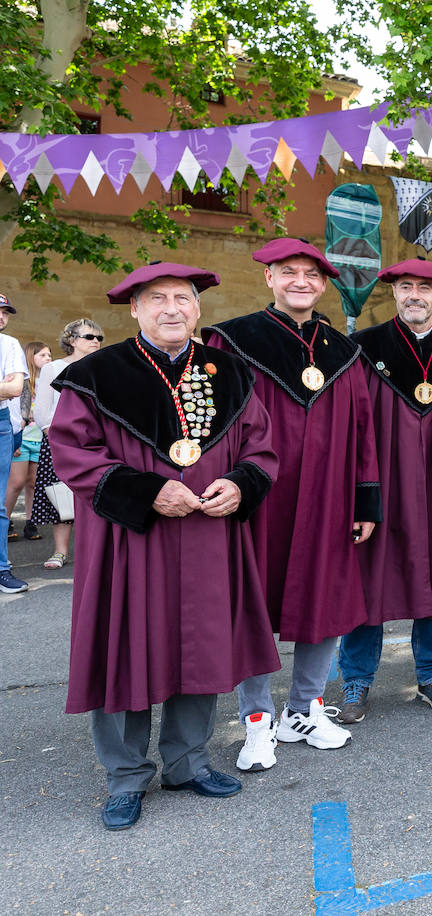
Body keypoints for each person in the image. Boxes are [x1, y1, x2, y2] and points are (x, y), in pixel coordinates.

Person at [49, 262, 279, 831]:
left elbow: (261, 447)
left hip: (207, 535)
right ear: (135, 309)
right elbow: (74, 453)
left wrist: (241, 484)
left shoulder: (232, 373)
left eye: (183, 298)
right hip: (132, 541)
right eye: (158, 299)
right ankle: (126, 777)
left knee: (200, 646)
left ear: (198, 308)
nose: (172, 308)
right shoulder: (96, 373)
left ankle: (187, 761)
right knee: (126, 647)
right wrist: (148, 492)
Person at [203, 237, 381, 772]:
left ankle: (303, 709)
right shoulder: (231, 341)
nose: (300, 281)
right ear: (270, 279)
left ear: (324, 284)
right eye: (289, 272)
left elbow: (364, 429)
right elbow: (213, 422)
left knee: (325, 598)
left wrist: (365, 499)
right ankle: (256, 720)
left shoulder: (345, 351)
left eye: (311, 274)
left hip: (330, 494)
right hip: (260, 493)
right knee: (253, 602)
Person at [335, 259, 432, 724]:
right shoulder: (364, 347)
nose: (414, 294)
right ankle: (356, 679)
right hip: (384, 482)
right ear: (394, 293)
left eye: (424, 288)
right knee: (369, 579)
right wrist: (361, 494)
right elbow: (355, 424)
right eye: (405, 287)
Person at [33, 319, 103, 571]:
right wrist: (60, 439)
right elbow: (42, 412)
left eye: (99, 338)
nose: (95, 341)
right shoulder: (53, 368)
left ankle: (93, 553)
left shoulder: (102, 368)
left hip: (96, 443)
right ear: (72, 341)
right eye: (89, 337)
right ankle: (60, 552)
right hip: (60, 442)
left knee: (96, 497)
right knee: (61, 498)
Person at [8, 340, 51, 541]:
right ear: (30, 358)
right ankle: (5, 520)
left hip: (39, 439)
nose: (48, 358)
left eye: (49, 355)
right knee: (16, 482)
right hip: (23, 438)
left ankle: (30, 521)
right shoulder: (24, 383)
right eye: (42, 355)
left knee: (33, 483)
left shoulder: (49, 382)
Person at [0, 295, 28, 591]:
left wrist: (6, 388)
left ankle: (1, 569)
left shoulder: (9, 345)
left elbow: (15, 388)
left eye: (5, 312)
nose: (1, 316)